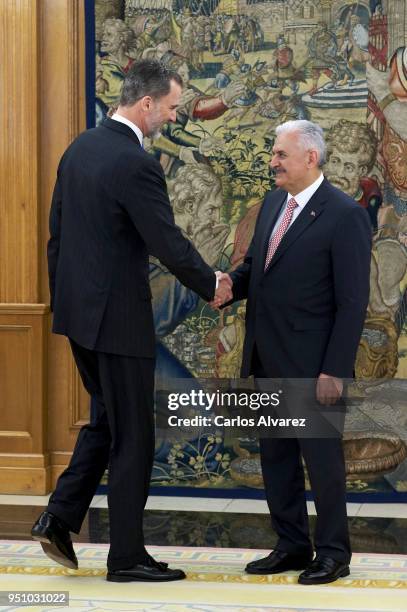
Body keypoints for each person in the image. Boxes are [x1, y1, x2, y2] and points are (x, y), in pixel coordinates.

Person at [31, 60, 232, 583]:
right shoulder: (136, 163)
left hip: (79, 318)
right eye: (168, 107)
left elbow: (57, 237)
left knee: (106, 422)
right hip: (118, 322)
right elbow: (166, 240)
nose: (169, 117)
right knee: (134, 436)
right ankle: (126, 557)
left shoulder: (79, 149)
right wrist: (212, 286)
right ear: (146, 104)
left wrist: (67, 305)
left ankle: (57, 518)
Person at [213, 120, 371, 585]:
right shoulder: (270, 208)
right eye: (273, 154)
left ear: (310, 158)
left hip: (313, 366)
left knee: (322, 465)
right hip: (265, 356)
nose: (273, 162)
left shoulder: (344, 215)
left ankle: (334, 553)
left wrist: (334, 370)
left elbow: (351, 302)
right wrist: (226, 288)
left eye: (281, 154)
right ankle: (292, 544)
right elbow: (256, 273)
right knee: (276, 460)